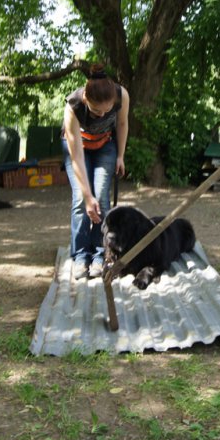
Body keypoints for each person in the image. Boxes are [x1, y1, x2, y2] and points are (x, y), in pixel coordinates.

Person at [62, 64, 129, 280]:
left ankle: (101, 254)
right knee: (82, 201)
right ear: (85, 100)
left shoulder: (121, 95)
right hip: (78, 149)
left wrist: (120, 155)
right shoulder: (72, 106)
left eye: (106, 110)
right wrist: (87, 195)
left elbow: (122, 123)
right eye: (96, 111)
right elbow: (77, 158)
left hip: (104, 146)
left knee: (101, 199)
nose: (102, 115)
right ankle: (81, 256)